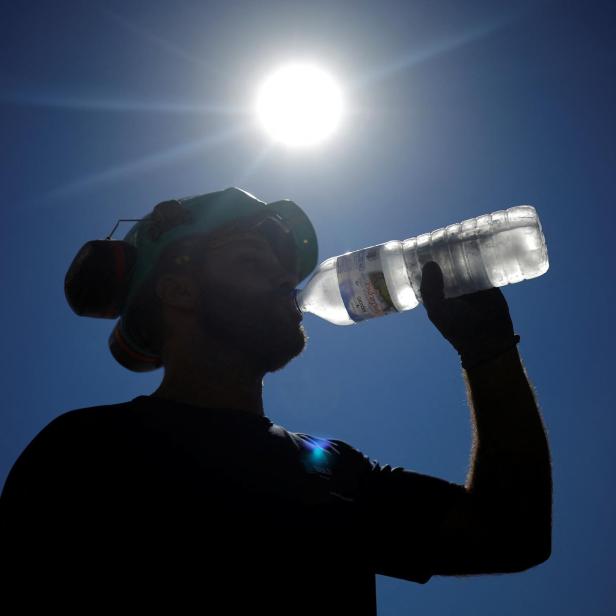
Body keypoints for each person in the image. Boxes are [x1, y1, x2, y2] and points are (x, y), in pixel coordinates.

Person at [0, 188, 552, 614]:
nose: (286, 279)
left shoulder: (336, 469)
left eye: (281, 265)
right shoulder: (87, 452)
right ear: (180, 292)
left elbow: (510, 533)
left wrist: (488, 350)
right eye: (250, 260)